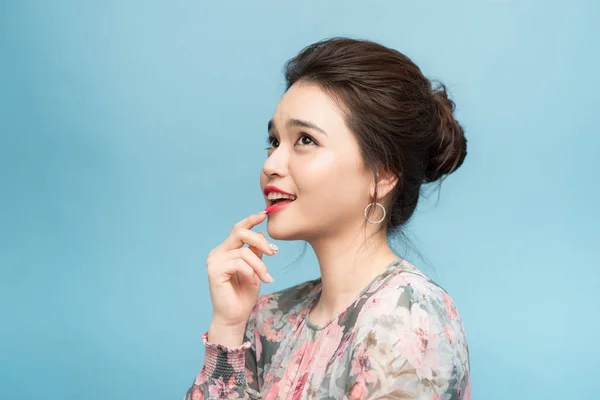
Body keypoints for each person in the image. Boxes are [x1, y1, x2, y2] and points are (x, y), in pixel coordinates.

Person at [184, 37, 471, 400]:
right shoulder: (270, 319)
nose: (271, 165)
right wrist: (227, 326)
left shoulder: (408, 316)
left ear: (382, 174)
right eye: (274, 142)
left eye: (305, 140)